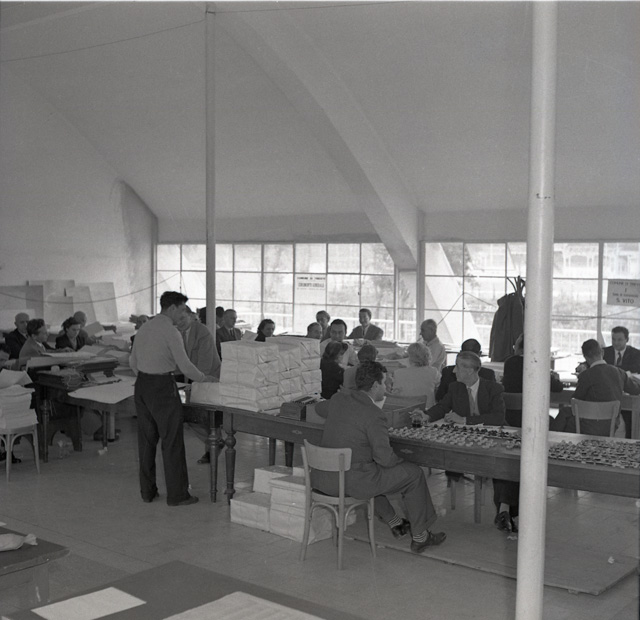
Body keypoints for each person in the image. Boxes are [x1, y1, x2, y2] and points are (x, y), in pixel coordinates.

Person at [314, 361, 446, 553]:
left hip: (324, 478)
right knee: (413, 474)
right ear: (375, 385)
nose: (386, 388)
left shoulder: (338, 399)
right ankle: (421, 537)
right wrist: (402, 461)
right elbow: (385, 459)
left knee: (372, 471)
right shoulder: (374, 414)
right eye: (384, 383)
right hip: (352, 482)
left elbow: (319, 408)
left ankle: (396, 523)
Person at [130, 291, 216, 506]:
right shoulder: (171, 331)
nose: (183, 314)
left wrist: (146, 376)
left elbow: (133, 361)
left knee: (146, 441)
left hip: (142, 385)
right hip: (162, 387)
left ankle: (147, 492)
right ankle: (178, 495)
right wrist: (204, 379)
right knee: (172, 441)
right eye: (182, 309)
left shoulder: (145, 327)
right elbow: (185, 365)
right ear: (172, 308)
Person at [423, 351, 514, 532]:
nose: (454, 371)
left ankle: (504, 510)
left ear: (470, 370)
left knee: (504, 466)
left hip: (494, 436)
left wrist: (465, 420)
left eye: (457, 367)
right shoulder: (455, 387)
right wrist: (426, 416)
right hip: (468, 438)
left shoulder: (493, 388)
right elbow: (442, 407)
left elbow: (497, 418)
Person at [552, 339, 640, 436]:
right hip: (610, 426)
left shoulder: (585, 375)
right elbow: (635, 390)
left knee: (564, 416)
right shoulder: (619, 372)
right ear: (602, 352)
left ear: (585, 357)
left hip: (587, 426)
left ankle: (552, 440)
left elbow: (575, 401)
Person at [176, 306, 221, 466]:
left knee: (205, 418)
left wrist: (195, 384)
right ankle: (214, 444)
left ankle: (213, 447)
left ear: (191, 316)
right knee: (192, 419)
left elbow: (205, 364)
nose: (179, 322)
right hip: (193, 380)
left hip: (208, 379)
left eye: (182, 318)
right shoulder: (177, 332)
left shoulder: (202, 331)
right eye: (177, 319)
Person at [501, 334, 563, 427]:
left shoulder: (509, 362)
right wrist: (556, 379)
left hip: (508, 416)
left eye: (515, 347)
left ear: (521, 349)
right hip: (532, 416)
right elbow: (557, 388)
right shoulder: (537, 363)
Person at [391, 342, 440, 408]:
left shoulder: (398, 373)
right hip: (427, 410)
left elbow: (395, 395)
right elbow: (440, 391)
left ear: (409, 357)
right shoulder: (434, 372)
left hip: (404, 410)